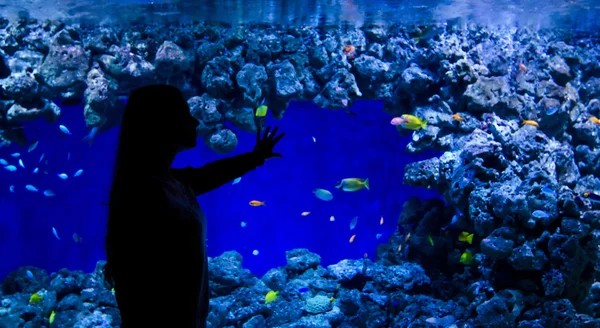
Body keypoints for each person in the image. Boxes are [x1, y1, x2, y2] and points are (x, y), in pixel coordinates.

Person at [103, 84, 284, 328]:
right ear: (161, 122)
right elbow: (135, 279)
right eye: (186, 114)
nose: (195, 122)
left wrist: (256, 157)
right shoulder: (140, 192)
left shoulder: (168, 181)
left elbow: (210, 174)